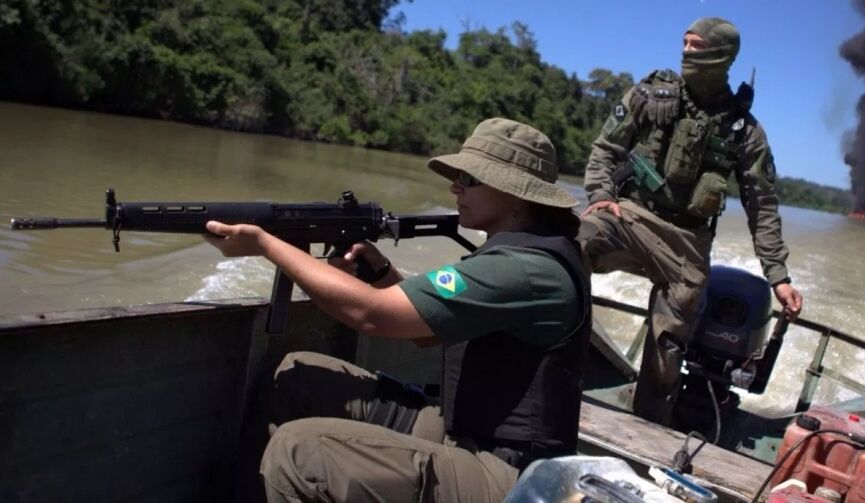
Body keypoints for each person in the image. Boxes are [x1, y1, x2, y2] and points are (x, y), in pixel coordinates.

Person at [204, 118, 591, 502]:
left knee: (299, 451)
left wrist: (267, 244)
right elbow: (424, 332)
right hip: (470, 431)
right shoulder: (520, 255)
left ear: (515, 193)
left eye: (471, 179)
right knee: (294, 376)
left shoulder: (524, 269)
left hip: (516, 477)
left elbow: (371, 315)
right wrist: (381, 272)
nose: (455, 186)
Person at [577, 17, 803, 426]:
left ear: (721, 56)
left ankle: (649, 424)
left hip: (687, 242)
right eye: (684, 44)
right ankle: (553, 358)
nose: (686, 53)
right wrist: (601, 197)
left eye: (696, 46)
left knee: (671, 336)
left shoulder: (746, 133)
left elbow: (762, 204)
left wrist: (778, 275)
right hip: (629, 216)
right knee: (573, 241)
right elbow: (606, 149)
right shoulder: (651, 94)